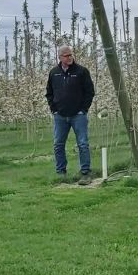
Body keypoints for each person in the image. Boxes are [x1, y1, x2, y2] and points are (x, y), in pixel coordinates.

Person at [45, 45, 95, 185]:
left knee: (83, 144)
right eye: (66, 56)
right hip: (60, 115)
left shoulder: (81, 72)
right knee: (58, 144)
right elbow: (49, 92)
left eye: (71, 55)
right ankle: (61, 172)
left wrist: (83, 109)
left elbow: (89, 92)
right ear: (60, 57)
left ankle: (85, 172)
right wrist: (53, 108)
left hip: (78, 115)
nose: (70, 57)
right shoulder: (54, 73)